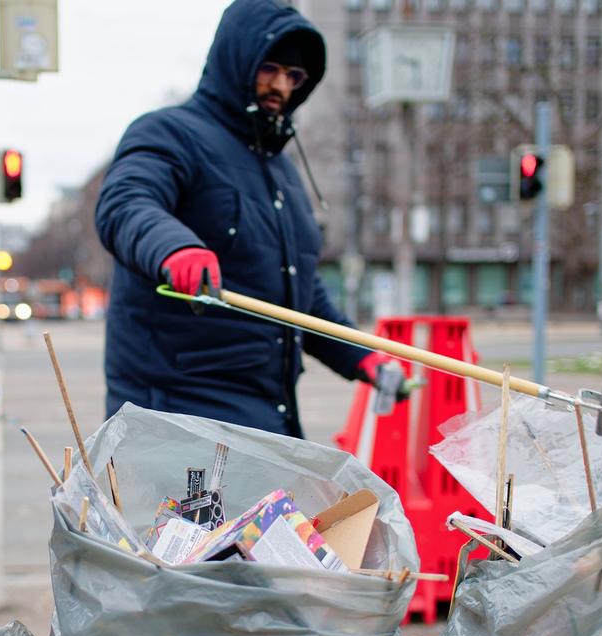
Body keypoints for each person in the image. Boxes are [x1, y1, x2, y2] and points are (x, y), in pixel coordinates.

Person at [96, 0, 396, 437]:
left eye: (294, 76)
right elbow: (126, 202)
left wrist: (359, 354)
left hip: (268, 417)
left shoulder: (283, 172)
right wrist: (175, 248)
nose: (280, 85)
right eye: (269, 68)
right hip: (177, 417)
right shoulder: (170, 132)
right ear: (235, 60)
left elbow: (300, 292)